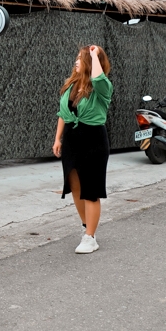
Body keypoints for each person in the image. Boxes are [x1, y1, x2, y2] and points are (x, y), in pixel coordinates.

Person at [53, 45, 113, 254]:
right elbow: (62, 112)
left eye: (80, 59)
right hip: (72, 138)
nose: (76, 62)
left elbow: (97, 78)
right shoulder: (72, 85)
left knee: (91, 190)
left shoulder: (102, 88)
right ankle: (88, 228)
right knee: (75, 186)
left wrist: (95, 54)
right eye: (77, 58)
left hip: (93, 139)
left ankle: (90, 237)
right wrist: (58, 138)